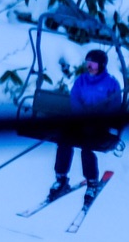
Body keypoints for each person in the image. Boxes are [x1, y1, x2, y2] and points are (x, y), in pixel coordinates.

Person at [50, 48, 123, 207]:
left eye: (93, 64)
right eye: (88, 63)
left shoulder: (111, 83)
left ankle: (92, 181)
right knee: (64, 141)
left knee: (87, 146)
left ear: (102, 65)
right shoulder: (81, 80)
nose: (89, 67)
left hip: (99, 125)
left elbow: (115, 105)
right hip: (80, 121)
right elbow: (75, 99)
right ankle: (61, 177)